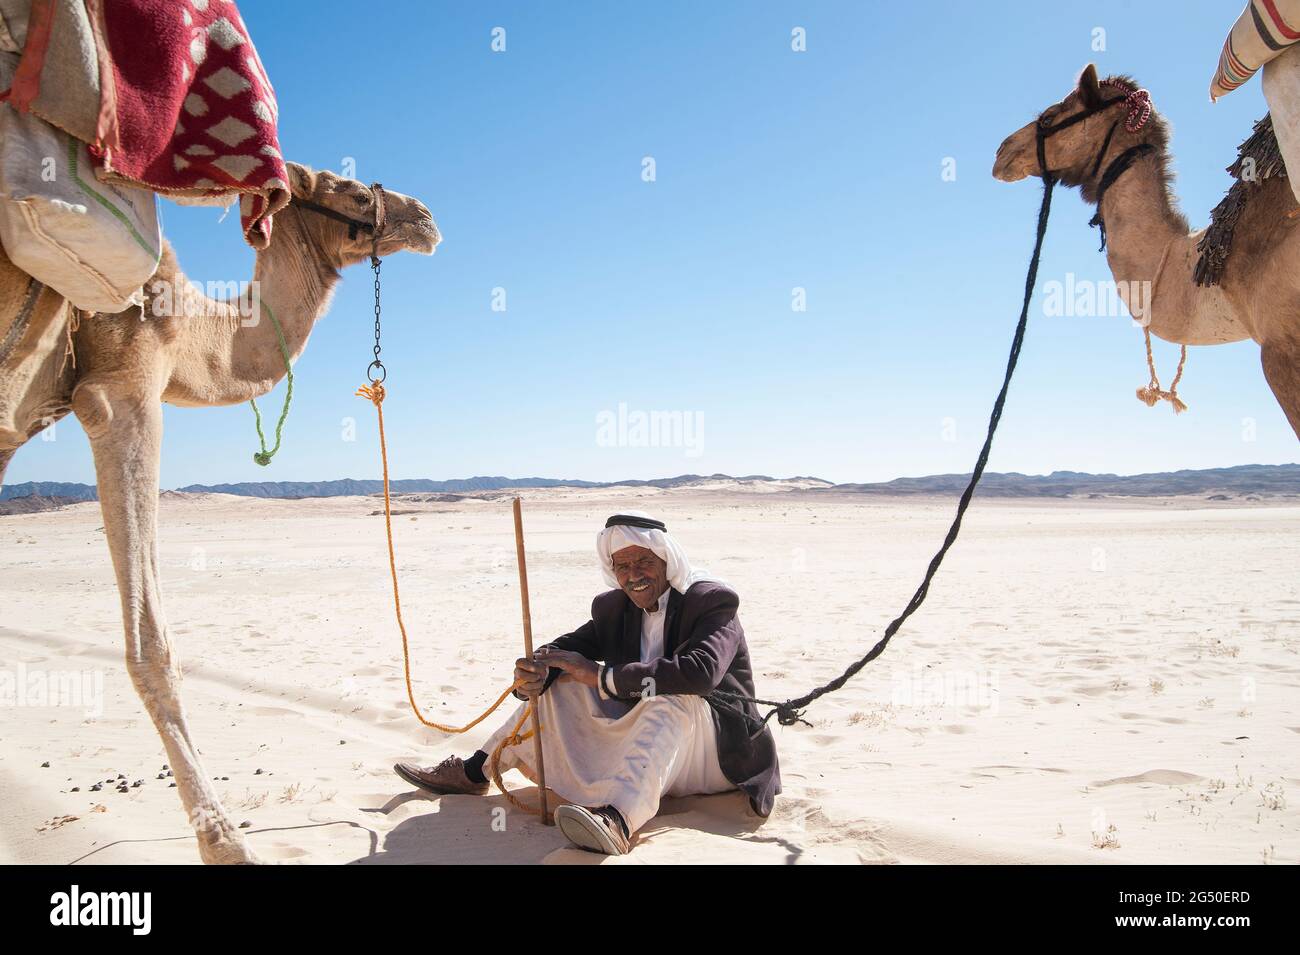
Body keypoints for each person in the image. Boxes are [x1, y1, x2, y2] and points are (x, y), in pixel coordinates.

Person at [393, 511, 780, 855]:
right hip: (656, 756)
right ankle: (476, 771)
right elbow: (569, 649)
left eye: (644, 561)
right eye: (623, 566)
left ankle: (618, 820)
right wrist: (538, 669)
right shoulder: (614, 607)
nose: (634, 575)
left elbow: (700, 673)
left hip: (716, 755)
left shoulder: (712, 601)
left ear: (667, 559)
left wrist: (598, 675)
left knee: (669, 696)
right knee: (560, 684)